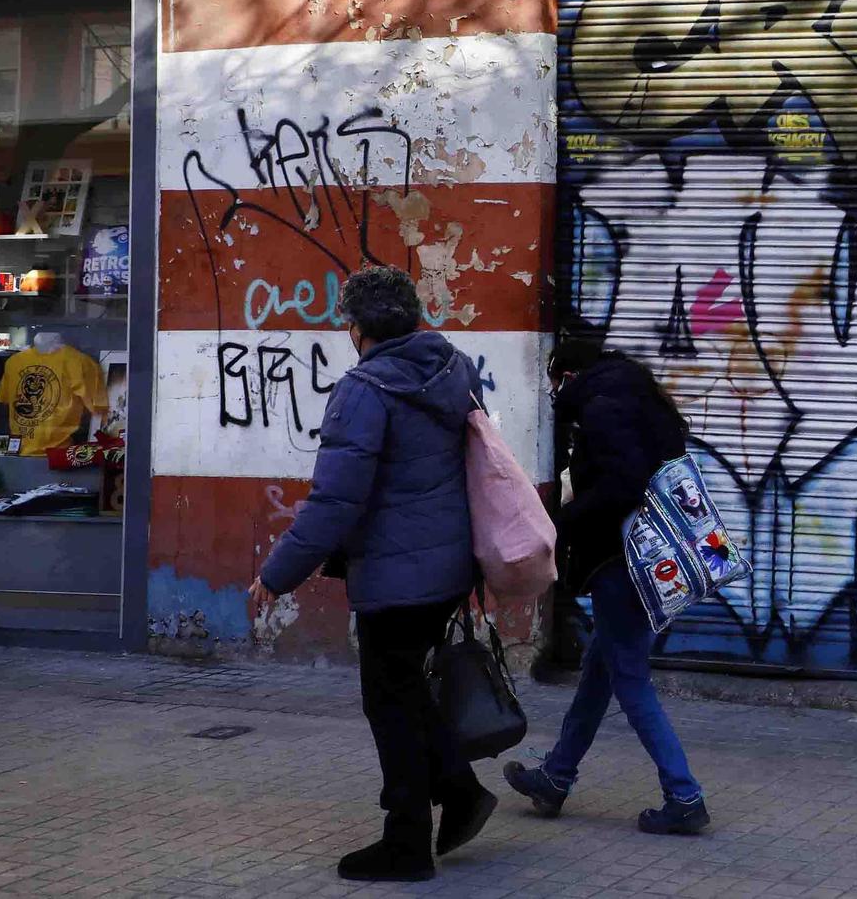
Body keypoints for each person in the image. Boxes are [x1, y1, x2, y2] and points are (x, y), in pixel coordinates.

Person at [248, 266, 496, 883]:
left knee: (388, 699)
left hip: (396, 574)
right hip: (446, 566)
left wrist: (278, 573)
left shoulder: (364, 389)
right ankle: (459, 790)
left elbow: (336, 500)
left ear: (355, 328)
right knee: (405, 689)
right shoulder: (453, 368)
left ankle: (408, 844)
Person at [503, 336, 709, 836]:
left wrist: (559, 521)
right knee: (600, 669)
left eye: (554, 383)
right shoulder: (637, 397)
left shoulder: (602, 408)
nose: (554, 394)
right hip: (642, 559)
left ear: (567, 374)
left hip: (622, 562)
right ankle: (555, 778)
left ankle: (684, 795)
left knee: (630, 678)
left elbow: (623, 484)